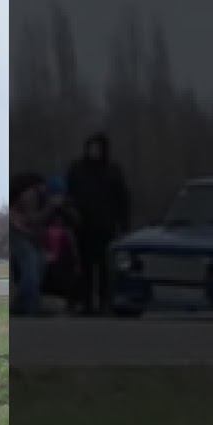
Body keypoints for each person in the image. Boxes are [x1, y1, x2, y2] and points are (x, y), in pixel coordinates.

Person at [66, 132, 132, 315]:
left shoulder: (112, 170)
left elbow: (122, 199)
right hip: (83, 225)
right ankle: (86, 303)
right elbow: (70, 195)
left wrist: (124, 224)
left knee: (104, 266)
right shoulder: (78, 169)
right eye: (92, 147)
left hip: (106, 225)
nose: (95, 151)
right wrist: (71, 215)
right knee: (85, 266)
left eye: (98, 148)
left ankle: (104, 303)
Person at [11, 173, 59, 316]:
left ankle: (22, 302)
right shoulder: (30, 196)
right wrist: (49, 208)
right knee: (30, 265)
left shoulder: (44, 199)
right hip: (18, 234)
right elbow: (32, 220)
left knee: (40, 264)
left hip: (30, 236)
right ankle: (29, 304)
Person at [40, 176, 83, 313]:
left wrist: (62, 208)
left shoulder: (69, 207)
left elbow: (76, 222)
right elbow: (39, 222)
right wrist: (49, 209)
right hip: (48, 250)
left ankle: (71, 302)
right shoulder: (45, 208)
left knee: (68, 276)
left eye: (58, 195)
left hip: (65, 251)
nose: (56, 199)